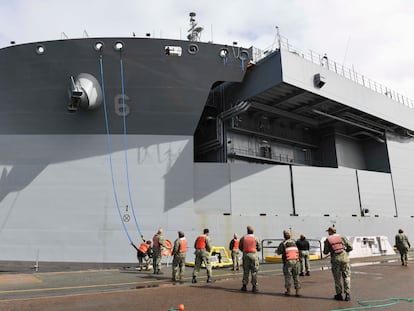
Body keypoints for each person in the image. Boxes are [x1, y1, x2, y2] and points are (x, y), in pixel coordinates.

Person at [323, 226, 353, 301]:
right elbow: (350, 247)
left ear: (330, 231)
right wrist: (345, 250)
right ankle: (347, 295)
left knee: (337, 278)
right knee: (346, 276)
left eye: (328, 231)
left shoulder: (328, 239)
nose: (328, 233)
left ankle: (339, 295)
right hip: (345, 258)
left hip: (335, 260)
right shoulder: (342, 237)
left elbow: (325, 252)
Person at [277, 230, 300, 297]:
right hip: (296, 260)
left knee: (287, 276)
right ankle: (297, 292)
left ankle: (288, 291)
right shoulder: (295, 242)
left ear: (284, 236)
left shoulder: (283, 243)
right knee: (296, 276)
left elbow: (279, 252)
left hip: (288, 261)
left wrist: (277, 251)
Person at [239, 225, 261, 293]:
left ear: (247, 231)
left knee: (246, 271)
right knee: (254, 271)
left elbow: (240, 247)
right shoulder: (256, 238)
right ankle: (254, 287)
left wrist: (245, 252)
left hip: (246, 255)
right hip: (253, 255)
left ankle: (244, 286)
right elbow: (259, 248)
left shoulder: (243, 238)